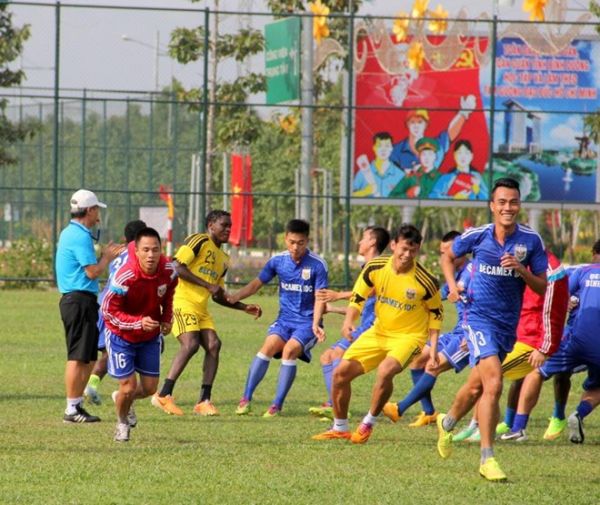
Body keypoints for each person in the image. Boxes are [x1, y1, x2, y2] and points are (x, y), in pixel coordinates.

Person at [436, 177, 547, 482]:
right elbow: (448, 255)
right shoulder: (478, 235)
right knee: (494, 384)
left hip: (506, 325)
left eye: (512, 202)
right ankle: (488, 458)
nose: (507, 207)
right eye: (502, 202)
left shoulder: (531, 241)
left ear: (519, 205)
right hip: (477, 318)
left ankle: (446, 424)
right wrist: (451, 286)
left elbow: (542, 286)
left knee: (476, 387)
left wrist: (521, 270)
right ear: (492, 206)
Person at [312, 224, 443, 444]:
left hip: (409, 337)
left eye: (412, 250)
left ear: (418, 250)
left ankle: (368, 423)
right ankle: (340, 427)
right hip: (379, 331)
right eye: (403, 248)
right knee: (340, 374)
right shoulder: (375, 267)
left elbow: (436, 314)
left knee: (385, 370)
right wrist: (348, 322)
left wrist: (433, 348)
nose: (406, 254)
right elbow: (358, 297)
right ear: (393, 245)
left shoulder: (426, 280)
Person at [152, 210, 262, 417]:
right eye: (224, 225)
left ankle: (204, 400)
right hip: (181, 301)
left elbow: (218, 295)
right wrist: (207, 284)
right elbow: (177, 266)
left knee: (214, 345)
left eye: (230, 226)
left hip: (200, 308)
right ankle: (163, 395)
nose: (228, 229)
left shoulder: (224, 259)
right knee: (191, 344)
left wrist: (243, 307)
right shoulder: (198, 241)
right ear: (211, 225)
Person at [453, 250, 568, 443]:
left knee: (486, 380)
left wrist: (544, 347)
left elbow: (554, 311)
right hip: (509, 336)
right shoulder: (511, 261)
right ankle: (485, 425)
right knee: (484, 379)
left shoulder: (550, 270)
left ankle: (468, 425)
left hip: (531, 342)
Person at [230, 219, 329, 417]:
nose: (296, 247)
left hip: (307, 323)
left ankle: (276, 405)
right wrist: (235, 297)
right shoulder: (277, 261)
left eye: (301, 243)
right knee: (267, 347)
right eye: (292, 242)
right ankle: (246, 399)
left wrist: (316, 324)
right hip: (284, 321)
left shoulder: (318, 265)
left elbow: (320, 298)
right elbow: (256, 284)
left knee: (290, 351)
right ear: (285, 239)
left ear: (307, 241)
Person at [503, 242, 600, 444]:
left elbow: (559, 295)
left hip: (575, 338)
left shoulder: (583, 272)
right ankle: (578, 414)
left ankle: (518, 427)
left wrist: (571, 301)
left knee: (537, 372)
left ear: (593, 254)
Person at [382, 230, 470, 427]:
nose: (444, 257)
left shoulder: (474, 272)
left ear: (462, 251)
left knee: (433, 365)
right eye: (441, 253)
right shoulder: (454, 275)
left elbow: (485, 305)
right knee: (418, 359)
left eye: (447, 252)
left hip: (469, 335)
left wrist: (472, 334)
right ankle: (429, 412)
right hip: (456, 331)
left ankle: (399, 408)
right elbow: (433, 298)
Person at [101, 227, 178, 442]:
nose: (151, 255)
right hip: (120, 336)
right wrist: (136, 323)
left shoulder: (169, 270)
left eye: (155, 250)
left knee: (150, 388)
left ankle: (122, 399)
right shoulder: (125, 276)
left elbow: (170, 294)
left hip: (149, 336)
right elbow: (108, 311)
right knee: (129, 386)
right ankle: (122, 423)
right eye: (145, 250)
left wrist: (166, 319)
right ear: (136, 252)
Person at [309, 226, 391, 419]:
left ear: (372, 242)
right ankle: (333, 402)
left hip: (375, 327)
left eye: (363, 238)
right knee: (327, 357)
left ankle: (335, 405)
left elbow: (372, 291)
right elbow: (365, 304)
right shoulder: (368, 266)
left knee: (336, 354)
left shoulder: (379, 264)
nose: (359, 242)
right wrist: (335, 310)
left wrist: (338, 295)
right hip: (366, 324)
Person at [56, 189, 122, 423]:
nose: (98, 217)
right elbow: (92, 271)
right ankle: (71, 409)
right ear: (90, 210)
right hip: (78, 300)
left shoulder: (71, 232)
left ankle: (76, 405)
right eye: (97, 211)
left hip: (80, 300)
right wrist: (107, 257)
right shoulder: (80, 235)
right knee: (77, 356)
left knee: (87, 356)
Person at [84, 219, 147, 405]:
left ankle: (93, 384)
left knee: (108, 352)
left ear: (124, 238)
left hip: (102, 302)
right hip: (119, 306)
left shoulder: (119, 254)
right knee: (120, 350)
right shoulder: (139, 255)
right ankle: (125, 392)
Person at [389, 99, 475, 173]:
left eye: (420, 122)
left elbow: (450, 134)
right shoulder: (396, 150)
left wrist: (463, 113)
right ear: (407, 124)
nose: (416, 126)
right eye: (412, 122)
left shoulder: (435, 146)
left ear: (426, 125)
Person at [352, 132, 404, 198]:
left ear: (391, 148)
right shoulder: (362, 173)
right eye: (379, 146)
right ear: (374, 148)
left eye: (387, 146)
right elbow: (349, 195)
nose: (383, 149)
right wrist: (364, 192)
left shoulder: (400, 175)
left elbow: (406, 197)